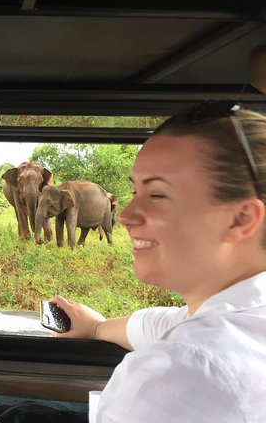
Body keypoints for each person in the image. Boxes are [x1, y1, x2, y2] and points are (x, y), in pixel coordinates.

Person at [51, 101, 266, 422]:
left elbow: (185, 340)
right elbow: (164, 323)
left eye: (158, 195)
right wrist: (96, 328)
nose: (125, 216)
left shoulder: (182, 374)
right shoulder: (247, 318)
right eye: (135, 191)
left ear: (241, 219)